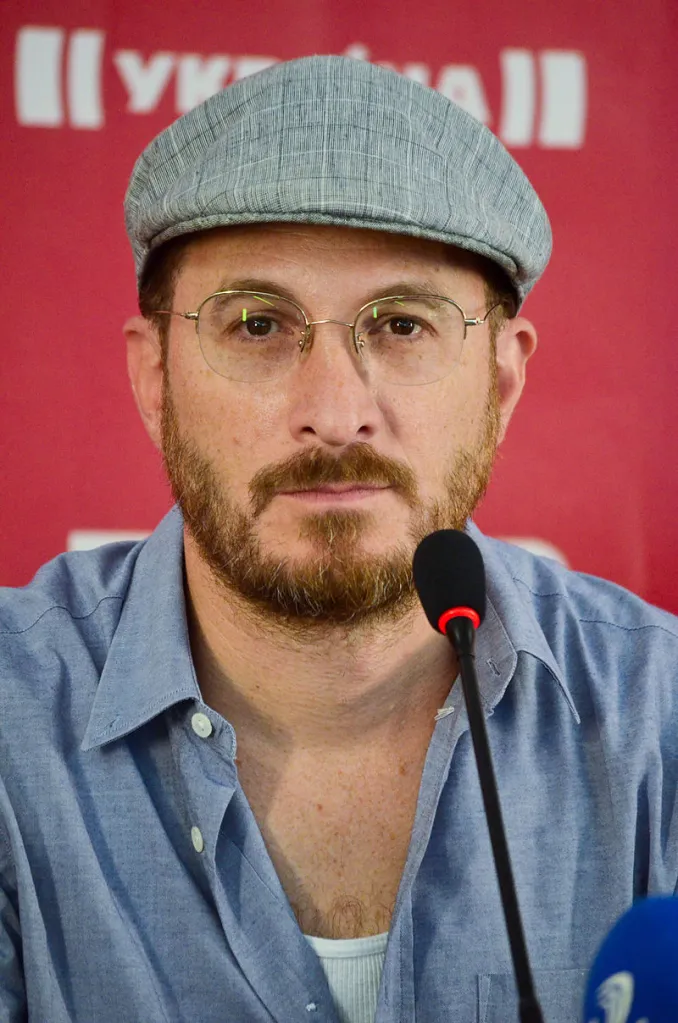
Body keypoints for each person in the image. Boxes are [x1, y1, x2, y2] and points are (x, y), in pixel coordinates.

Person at [0, 55, 676, 1023]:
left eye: (401, 325)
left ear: (501, 381)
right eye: (257, 325)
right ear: (154, 380)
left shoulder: (661, 719)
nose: (333, 411)